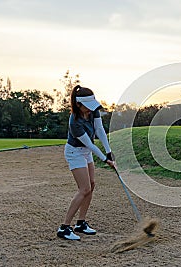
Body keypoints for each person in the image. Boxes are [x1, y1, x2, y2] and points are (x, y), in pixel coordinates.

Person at [57, 85, 115, 240]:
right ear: (78, 104)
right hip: (75, 152)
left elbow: (100, 129)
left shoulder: (93, 111)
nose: (90, 110)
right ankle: (64, 227)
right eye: (86, 107)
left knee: (92, 185)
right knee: (84, 189)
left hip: (86, 152)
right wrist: (105, 159)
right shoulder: (74, 122)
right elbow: (90, 144)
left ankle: (81, 223)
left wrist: (109, 152)